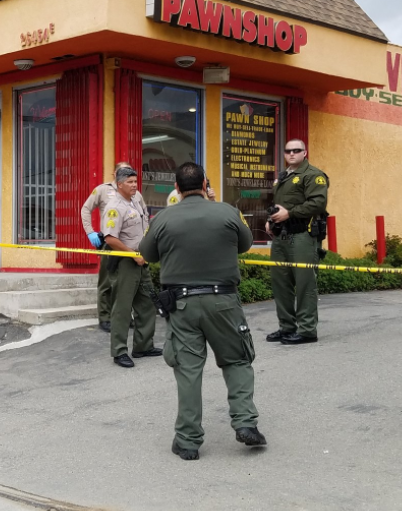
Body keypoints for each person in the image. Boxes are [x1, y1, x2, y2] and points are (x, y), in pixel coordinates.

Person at [139, 162, 265, 461]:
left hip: (181, 305)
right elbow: (245, 245)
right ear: (205, 184)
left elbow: (146, 254)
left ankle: (187, 440)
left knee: (188, 371)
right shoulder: (227, 212)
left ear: (177, 189)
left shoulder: (163, 218)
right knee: (236, 361)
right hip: (223, 302)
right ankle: (245, 422)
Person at [265, 139, 329, 346]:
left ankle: (308, 330)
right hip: (282, 236)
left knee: (304, 284)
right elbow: (278, 205)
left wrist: (289, 214)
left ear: (304, 152)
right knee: (280, 284)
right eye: (288, 151)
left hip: (303, 235)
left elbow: (318, 203)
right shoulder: (283, 177)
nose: (292, 154)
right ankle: (287, 327)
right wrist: (270, 220)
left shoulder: (313, 175)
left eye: (296, 150)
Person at [100, 166, 160, 368]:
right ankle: (119, 351)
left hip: (142, 261)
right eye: (130, 182)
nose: (135, 185)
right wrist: (133, 255)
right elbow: (110, 238)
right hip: (126, 262)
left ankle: (143, 346)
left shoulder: (134, 201)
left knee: (147, 304)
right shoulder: (115, 207)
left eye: (135, 181)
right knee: (123, 308)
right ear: (119, 184)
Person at [80, 162, 148, 332]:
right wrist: (90, 232)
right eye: (122, 172)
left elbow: (144, 214)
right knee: (107, 282)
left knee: (127, 283)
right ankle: (104, 317)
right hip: (111, 241)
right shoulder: (102, 190)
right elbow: (85, 209)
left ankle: (126, 315)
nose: (130, 181)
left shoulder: (136, 194)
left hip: (131, 244)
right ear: (115, 174)